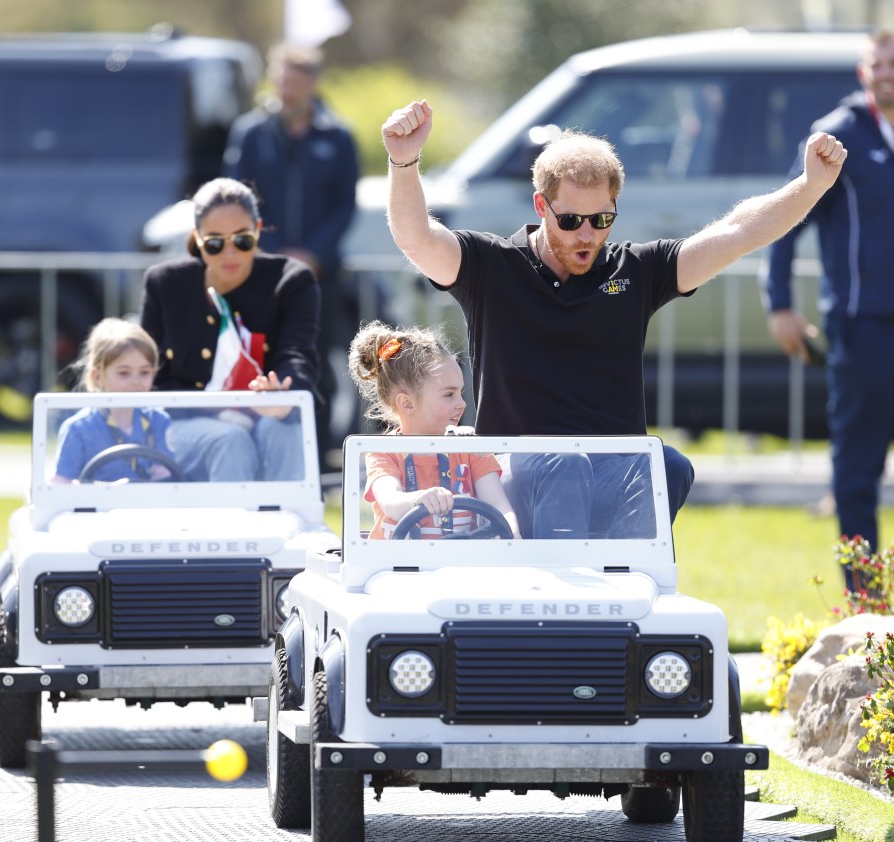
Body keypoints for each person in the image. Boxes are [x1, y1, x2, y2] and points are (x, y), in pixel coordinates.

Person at [380, 99, 847, 533]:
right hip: (516, 470)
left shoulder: (637, 269)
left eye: (602, 220)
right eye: (571, 221)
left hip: (612, 465)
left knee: (671, 466)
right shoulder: (491, 265)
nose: (587, 234)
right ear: (542, 206)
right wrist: (404, 163)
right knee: (564, 465)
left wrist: (810, 187)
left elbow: (738, 230)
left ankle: (624, 594)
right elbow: (417, 239)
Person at [764, 28, 894, 559]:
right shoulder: (837, 135)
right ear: (865, 72)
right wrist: (780, 304)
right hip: (864, 327)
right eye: (879, 63)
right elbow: (785, 219)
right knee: (858, 473)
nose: (888, 71)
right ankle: (866, 615)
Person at [224, 42, 360, 465]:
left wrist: (314, 254)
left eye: (297, 79)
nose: (288, 88)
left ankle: (315, 461)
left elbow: (345, 205)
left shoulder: (337, 137)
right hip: (262, 273)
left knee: (315, 365)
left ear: (313, 81)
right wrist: (268, 250)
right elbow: (238, 198)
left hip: (318, 277)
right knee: (258, 361)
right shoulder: (251, 132)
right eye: (282, 78)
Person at [140, 177, 319, 481]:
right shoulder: (164, 283)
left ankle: (295, 522)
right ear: (196, 239)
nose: (230, 253)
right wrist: (215, 411)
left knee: (284, 427)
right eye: (214, 243)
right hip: (181, 422)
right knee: (229, 438)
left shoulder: (291, 280)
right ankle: (236, 527)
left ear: (258, 230)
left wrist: (282, 394)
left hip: (265, 413)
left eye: (242, 240)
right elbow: (148, 372)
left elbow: (296, 354)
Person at [348, 320, 520, 541]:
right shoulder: (384, 452)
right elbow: (391, 502)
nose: (462, 404)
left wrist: (514, 536)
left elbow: (499, 506)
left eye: (461, 392)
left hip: (462, 566)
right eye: (449, 394)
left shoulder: (470, 448)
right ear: (407, 404)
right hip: (397, 568)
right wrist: (418, 499)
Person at [53, 318, 174, 484]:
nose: (136, 381)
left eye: (144, 372)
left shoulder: (159, 421)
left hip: (147, 508)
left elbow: (168, 479)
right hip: (96, 508)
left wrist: (163, 476)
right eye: (124, 373)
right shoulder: (78, 429)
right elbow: (62, 483)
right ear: (97, 377)